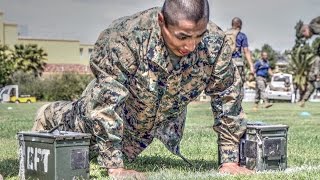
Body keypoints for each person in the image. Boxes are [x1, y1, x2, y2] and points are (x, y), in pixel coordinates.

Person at [32, 0, 253, 178]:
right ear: (161, 21)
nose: (191, 46)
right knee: (80, 144)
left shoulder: (216, 43)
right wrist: (114, 167)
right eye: (182, 37)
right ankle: (50, 113)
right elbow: (105, 104)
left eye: (199, 35)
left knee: (120, 152)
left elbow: (227, 98)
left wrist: (229, 160)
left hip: (148, 125)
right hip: (103, 112)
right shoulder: (124, 37)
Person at [229, 17, 255, 87]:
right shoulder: (242, 36)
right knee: (238, 84)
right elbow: (246, 51)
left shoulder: (225, 34)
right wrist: (251, 66)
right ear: (240, 25)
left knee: (227, 84)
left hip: (226, 63)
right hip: (237, 62)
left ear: (232, 24)